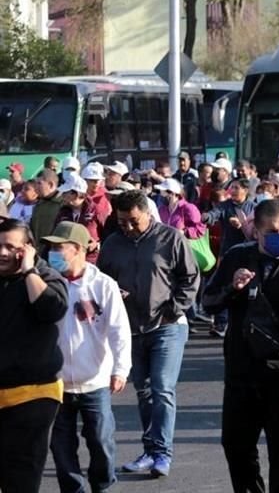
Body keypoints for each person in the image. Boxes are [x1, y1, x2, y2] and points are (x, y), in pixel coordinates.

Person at [203, 200, 279, 493]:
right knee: (236, 444)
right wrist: (231, 289)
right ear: (256, 231)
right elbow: (208, 302)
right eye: (272, 231)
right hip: (242, 369)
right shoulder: (239, 257)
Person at [97, 191, 200, 477]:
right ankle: (151, 449)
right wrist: (111, 297)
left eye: (133, 221)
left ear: (148, 214)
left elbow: (190, 277)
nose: (128, 227)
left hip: (167, 326)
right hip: (130, 328)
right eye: (122, 222)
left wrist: (173, 308)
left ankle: (163, 453)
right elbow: (102, 281)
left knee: (162, 388)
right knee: (143, 392)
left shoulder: (170, 238)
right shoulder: (113, 244)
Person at [44, 222, 132, 493]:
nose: (53, 254)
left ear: (79, 250)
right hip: (56, 383)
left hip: (95, 380)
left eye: (60, 248)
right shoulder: (47, 283)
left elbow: (119, 329)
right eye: (51, 248)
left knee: (101, 441)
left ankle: (102, 485)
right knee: (61, 445)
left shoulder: (103, 285)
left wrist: (120, 369)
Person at [0, 219, 69, 492]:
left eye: (10, 247)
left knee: (21, 474)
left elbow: (52, 309)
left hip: (34, 393)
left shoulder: (46, 275)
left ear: (27, 249)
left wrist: (29, 271)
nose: (2, 253)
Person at [31, 169, 63, 245]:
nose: (35, 187)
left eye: (39, 183)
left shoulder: (63, 204)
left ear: (51, 185)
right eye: (35, 184)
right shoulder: (38, 205)